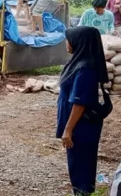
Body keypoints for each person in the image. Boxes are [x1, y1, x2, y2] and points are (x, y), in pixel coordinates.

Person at [58, 27, 110, 195]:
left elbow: (80, 103)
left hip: (82, 126)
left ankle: (82, 192)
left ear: (80, 42)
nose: (67, 42)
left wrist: (68, 129)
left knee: (81, 165)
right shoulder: (79, 62)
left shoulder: (86, 69)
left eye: (69, 39)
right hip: (79, 125)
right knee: (78, 163)